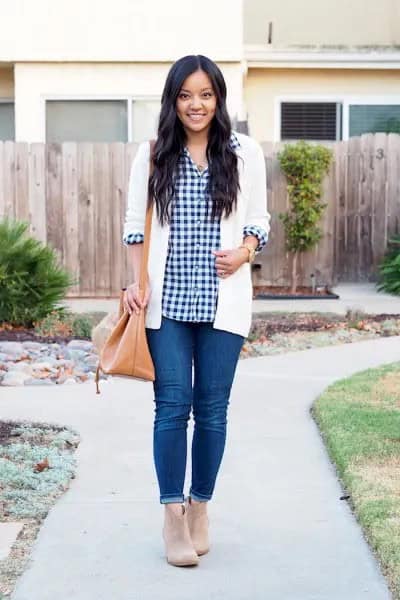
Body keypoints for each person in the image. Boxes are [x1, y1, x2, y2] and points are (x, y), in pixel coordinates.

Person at [122, 54, 271, 567]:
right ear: (173, 100)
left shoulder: (244, 152)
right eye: (185, 95)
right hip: (166, 305)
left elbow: (259, 219)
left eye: (205, 94)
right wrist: (135, 281)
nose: (196, 104)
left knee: (212, 410)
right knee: (172, 406)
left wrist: (245, 252)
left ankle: (200, 507)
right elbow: (134, 227)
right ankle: (171, 515)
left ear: (219, 98)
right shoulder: (153, 154)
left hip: (223, 303)